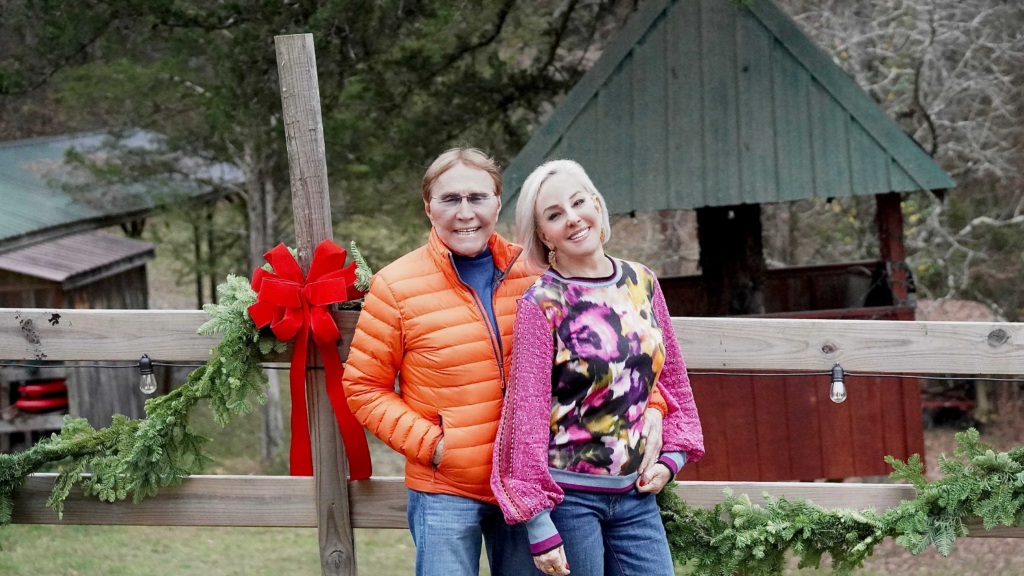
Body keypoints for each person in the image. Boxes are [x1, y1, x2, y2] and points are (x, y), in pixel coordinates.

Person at [491, 159, 705, 576]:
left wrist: (672, 456)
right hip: (569, 499)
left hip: (637, 496)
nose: (572, 219)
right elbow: (526, 417)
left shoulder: (642, 281)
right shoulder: (541, 304)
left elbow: (673, 378)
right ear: (542, 234)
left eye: (578, 202)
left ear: (596, 203)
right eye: (554, 215)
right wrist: (538, 523)